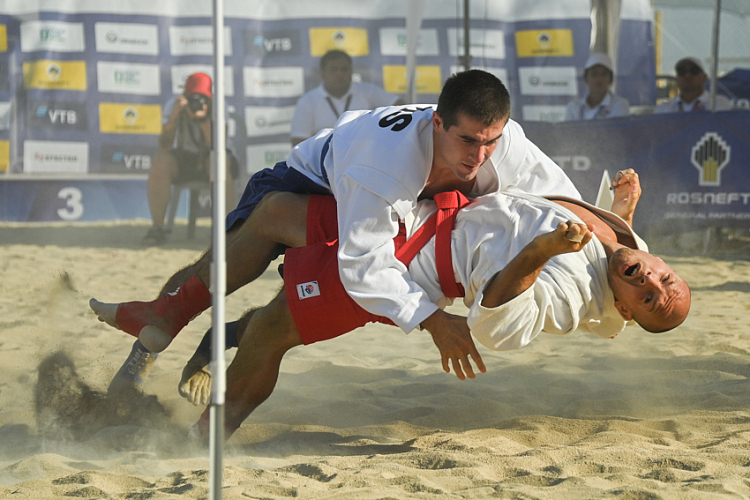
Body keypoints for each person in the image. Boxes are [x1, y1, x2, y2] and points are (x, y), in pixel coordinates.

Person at [90, 69, 581, 386]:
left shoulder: (506, 143)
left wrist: (617, 232)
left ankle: (218, 334)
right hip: (312, 178)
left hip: (378, 199)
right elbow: (364, 266)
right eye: (468, 141)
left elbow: (565, 204)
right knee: (229, 255)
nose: (479, 155)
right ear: (437, 123)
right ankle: (160, 327)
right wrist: (433, 321)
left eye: (490, 142)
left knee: (291, 310)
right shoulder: (385, 165)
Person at [182, 170, 690, 442]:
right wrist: (620, 212)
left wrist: (541, 251)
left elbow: (498, 324)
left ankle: (206, 437)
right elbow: (626, 255)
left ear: (626, 311)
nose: (648, 277)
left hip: (409, 267)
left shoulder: (572, 292)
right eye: (662, 276)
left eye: (646, 298)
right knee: (273, 213)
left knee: (275, 331)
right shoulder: (623, 243)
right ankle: (195, 327)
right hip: (421, 213)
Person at [142, 72, 237, 245]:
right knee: (161, 161)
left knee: (219, 162)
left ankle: (224, 230)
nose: (197, 102)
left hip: (214, 156)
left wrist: (203, 120)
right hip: (186, 160)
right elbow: (165, 146)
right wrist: (173, 118)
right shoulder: (174, 105)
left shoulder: (217, 105)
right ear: (184, 96)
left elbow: (217, 146)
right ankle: (157, 228)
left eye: (201, 97)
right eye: (193, 97)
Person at [290, 49, 404, 146]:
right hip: (324, 163)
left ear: (351, 71)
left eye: (344, 69)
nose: (339, 74)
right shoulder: (308, 101)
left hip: (364, 158)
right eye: (333, 69)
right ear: (322, 72)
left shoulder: (367, 91)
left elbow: (400, 107)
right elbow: (298, 142)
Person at [654, 57, 733, 114]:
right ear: (676, 80)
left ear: (704, 78)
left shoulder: (718, 104)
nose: (688, 75)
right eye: (682, 72)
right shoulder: (664, 108)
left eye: (694, 71)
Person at [564, 53, 629, 121]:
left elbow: (616, 131)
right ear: (586, 78)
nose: (599, 79)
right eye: (594, 74)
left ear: (610, 79)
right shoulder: (573, 108)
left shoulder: (619, 105)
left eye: (604, 74)